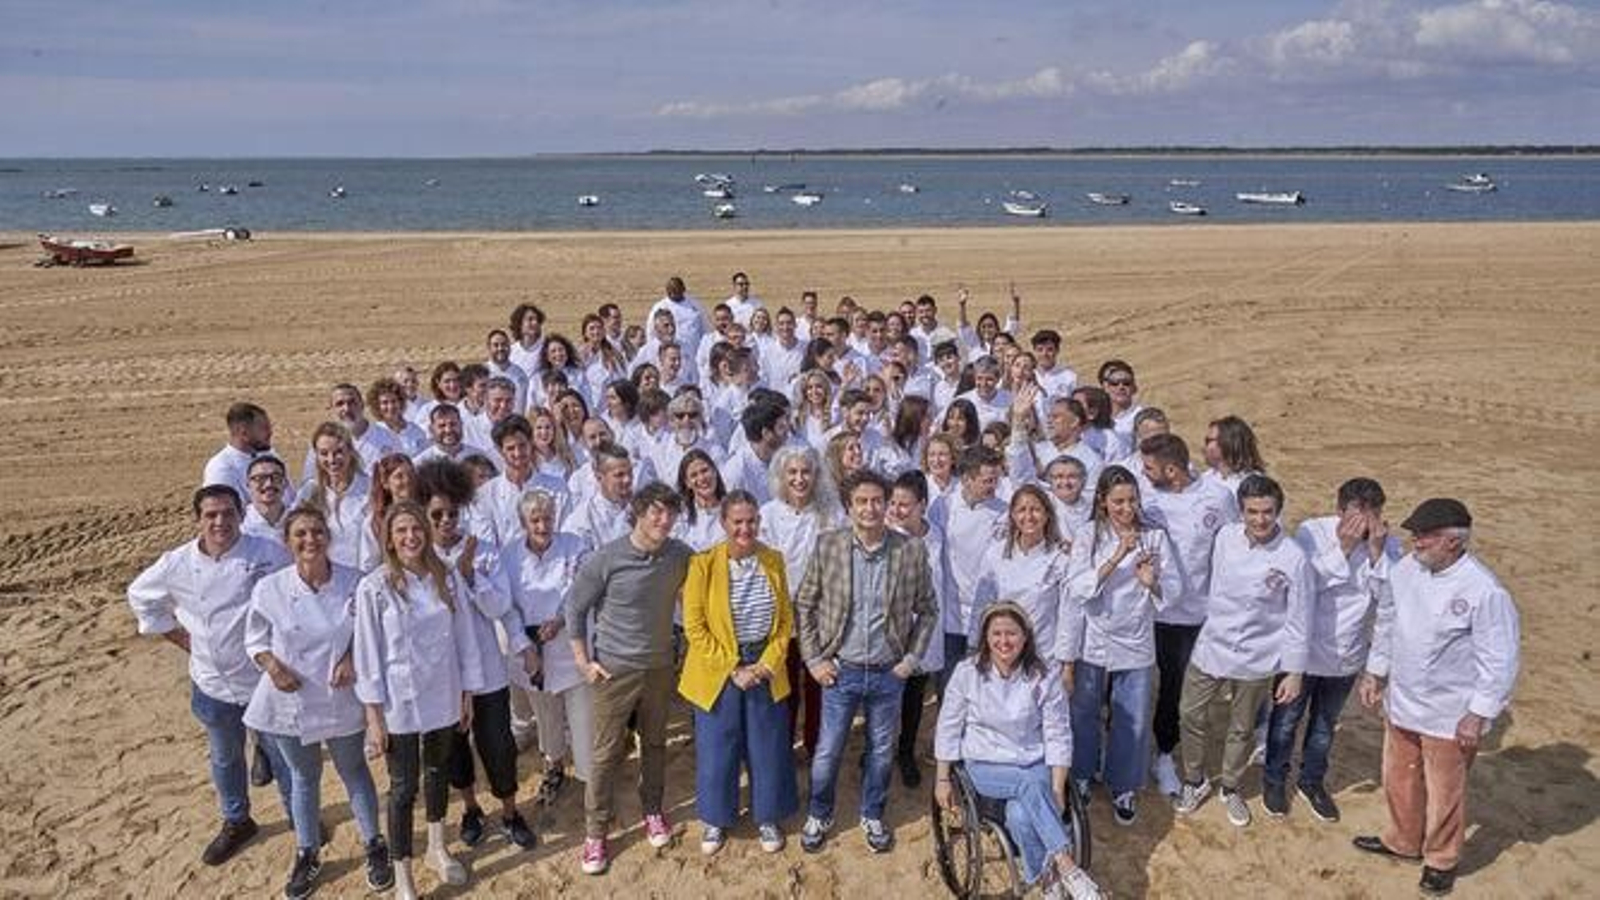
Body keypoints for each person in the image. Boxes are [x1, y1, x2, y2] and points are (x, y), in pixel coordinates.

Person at [1353, 498, 1520, 897]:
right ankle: (1403, 840)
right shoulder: (1409, 569)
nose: (1415, 542)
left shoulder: (1484, 591)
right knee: (1399, 777)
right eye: (1414, 535)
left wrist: (1477, 714)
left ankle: (1442, 859)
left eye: (1424, 536)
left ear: (1452, 542)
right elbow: (1389, 619)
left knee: (1445, 791)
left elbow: (1500, 660)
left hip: (1450, 712)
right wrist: (1376, 671)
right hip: (1404, 699)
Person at [126, 485, 291, 866]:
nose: (220, 522)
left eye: (228, 513)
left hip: (265, 682)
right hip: (212, 683)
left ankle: (298, 815)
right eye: (211, 515)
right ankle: (237, 821)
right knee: (225, 757)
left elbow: (292, 597)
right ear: (197, 520)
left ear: (240, 514)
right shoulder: (177, 563)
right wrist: (178, 635)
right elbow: (140, 595)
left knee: (282, 756)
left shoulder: (267, 554)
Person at [243, 506, 393, 898]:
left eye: (316, 532)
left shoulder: (353, 583)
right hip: (287, 699)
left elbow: (369, 634)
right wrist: (272, 665)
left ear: (328, 536)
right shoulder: (270, 588)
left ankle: (374, 844)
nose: (310, 540)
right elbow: (255, 638)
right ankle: (307, 852)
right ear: (287, 542)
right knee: (303, 778)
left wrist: (349, 659)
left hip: (338, 696)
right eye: (300, 535)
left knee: (354, 770)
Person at [795, 470, 938, 855]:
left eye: (878, 501)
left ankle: (872, 813)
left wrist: (910, 660)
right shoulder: (829, 546)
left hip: (889, 672)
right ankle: (820, 812)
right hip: (841, 670)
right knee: (828, 751)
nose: (871, 508)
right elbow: (805, 603)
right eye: (862, 501)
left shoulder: (909, 550)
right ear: (849, 507)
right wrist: (813, 659)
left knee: (879, 751)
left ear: (888, 504)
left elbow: (928, 610)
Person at [354, 502, 486, 897]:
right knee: (402, 787)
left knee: (436, 774)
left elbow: (465, 637)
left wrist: (467, 693)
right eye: (401, 532)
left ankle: (436, 847)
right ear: (390, 540)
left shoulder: (443, 576)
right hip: (399, 702)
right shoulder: (374, 587)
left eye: (416, 529)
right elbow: (368, 654)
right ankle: (404, 875)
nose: (410, 537)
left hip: (443, 693)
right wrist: (374, 716)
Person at [564, 483, 694, 875]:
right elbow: (574, 608)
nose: (664, 520)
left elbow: (702, 587)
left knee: (654, 744)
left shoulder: (680, 555)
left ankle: (653, 810)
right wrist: (584, 663)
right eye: (656, 512)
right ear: (637, 512)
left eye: (670, 513)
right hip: (614, 671)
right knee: (605, 755)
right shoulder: (607, 558)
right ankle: (595, 834)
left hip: (658, 668)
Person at [1172, 475, 1313, 828]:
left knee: (1241, 727)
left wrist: (1294, 671)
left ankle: (1231, 786)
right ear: (1241, 511)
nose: (1260, 520)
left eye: (1267, 512)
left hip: (1258, 655)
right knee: (1190, 714)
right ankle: (1194, 779)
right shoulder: (1225, 537)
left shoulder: (1293, 557)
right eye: (1252, 512)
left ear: (1278, 511)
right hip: (1212, 646)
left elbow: (1299, 619)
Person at [936, 603, 1102, 900]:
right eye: (996, 633)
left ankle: (1045, 878)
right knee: (1028, 785)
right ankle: (1067, 866)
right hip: (984, 765)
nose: (1004, 641)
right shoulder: (967, 673)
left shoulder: (1044, 675)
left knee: (1021, 814)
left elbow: (1057, 732)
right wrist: (942, 779)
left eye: (1011, 633)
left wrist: (1058, 786)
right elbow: (948, 726)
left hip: (1032, 760)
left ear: (1025, 637)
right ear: (985, 637)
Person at [1264, 477, 1401, 823]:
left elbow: (1392, 603)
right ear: (1339, 511)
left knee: (1324, 724)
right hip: (1303, 651)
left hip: (1347, 654)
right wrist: (1341, 548)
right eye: (1355, 517)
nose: (1364, 526)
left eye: (1372, 517)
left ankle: (1312, 781)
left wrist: (1377, 556)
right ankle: (1274, 780)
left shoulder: (1388, 546)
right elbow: (1302, 587)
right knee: (1285, 721)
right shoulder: (1313, 532)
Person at [419, 462, 539, 854]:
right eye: (437, 514)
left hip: (487, 669)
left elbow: (501, 606)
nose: (446, 521)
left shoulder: (484, 551)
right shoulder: (418, 557)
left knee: (497, 744)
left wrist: (470, 574)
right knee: (455, 749)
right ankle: (471, 808)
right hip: (443, 675)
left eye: (453, 512)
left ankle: (509, 811)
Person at [679, 491, 800, 855]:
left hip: (764, 664)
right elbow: (694, 627)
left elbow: (784, 622)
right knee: (718, 746)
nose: (745, 528)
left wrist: (765, 665)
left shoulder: (773, 560)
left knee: (768, 745)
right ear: (724, 523)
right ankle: (717, 819)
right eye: (738, 522)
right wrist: (733, 668)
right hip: (719, 668)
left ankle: (767, 816)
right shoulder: (703, 564)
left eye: (751, 521)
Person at [1062, 466, 1181, 827]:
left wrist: (1151, 582)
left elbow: (1174, 594)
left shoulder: (1155, 538)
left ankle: (1123, 784)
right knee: (1083, 713)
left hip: (1135, 641)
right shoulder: (1088, 536)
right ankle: (1082, 774)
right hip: (1093, 639)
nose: (1126, 508)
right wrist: (1115, 558)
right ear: (1102, 502)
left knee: (1132, 717)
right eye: (1117, 501)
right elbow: (1077, 588)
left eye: (1131, 500)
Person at [1139, 432, 1239, 796]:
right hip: (1149, 609)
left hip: (1195, 617)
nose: (1143, 473)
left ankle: (1164, 754)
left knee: (1177, 689)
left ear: (1171, 469)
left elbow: (1230, 550)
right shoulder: (1147, 499)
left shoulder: (1217, 497)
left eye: (1149, 467)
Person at [501, 490, 594, 805]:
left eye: (547, 518)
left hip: (571, 648)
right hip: (530, 653)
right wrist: (523, 646)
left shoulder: (575, 546)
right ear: (523, 522)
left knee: (582, 719)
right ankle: (553, 765)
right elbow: (507, 606)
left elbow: (581, 590)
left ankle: (591, 781)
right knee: (546, 716)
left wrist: (559, 620)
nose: (543, 526)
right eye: (535, 520)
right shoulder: (509, 555)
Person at [759, 445, 838, 759]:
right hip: (782, 613)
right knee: (785, 683)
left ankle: (816, 744)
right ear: (782, 475)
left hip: (820, 613)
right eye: (792, 472)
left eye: (806, 471)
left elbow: (837, 560)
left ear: (816, 475)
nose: (799, 478)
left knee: (819, 684)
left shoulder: (830, 512)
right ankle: (783, 747)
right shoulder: (768, 514)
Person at [886, 471, 954, 789]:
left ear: (922, 505)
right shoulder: (885, 535)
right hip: (892, 630)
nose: (898, 510)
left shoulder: (937, 535)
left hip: (925, 629)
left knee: (914, 697)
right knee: (886, 697)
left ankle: (906, 751)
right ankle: (879, 750)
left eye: (905, 504)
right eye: (895, 503)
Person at [929, 445, 1008, 694]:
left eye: (995, 479)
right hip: (950, 612)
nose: (992, 486)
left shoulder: (1003, 513)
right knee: (949, 686)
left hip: (986, 612)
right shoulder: (942, 506)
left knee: (981, 686)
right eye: (987, 480)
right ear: (966, 479)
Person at [302, 422, 375, 571]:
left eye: (338, 452)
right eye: (324, 453)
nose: (331, 459)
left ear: (350, 451)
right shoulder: (309, 491)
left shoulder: (371, 488)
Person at [203, 401, 280, 501]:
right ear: (244, 433)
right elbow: (227, 511)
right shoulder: (221, 468)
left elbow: (290, 498)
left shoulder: (270, 455)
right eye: (264, 428)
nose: (270, 432)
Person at [674, 448, 728, 550]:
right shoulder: (680, 517)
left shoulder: (733, 509)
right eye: (694, 475)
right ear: (687, 483)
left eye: (705, 471)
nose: (702, 478)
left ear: (715, 471)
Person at [1201, 415, 1267, 498]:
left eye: (1209, 441)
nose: (1204, 447)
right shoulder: (1205, 478)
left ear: (1228, 442)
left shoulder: (1256, 485)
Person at [241, 454, 292, 546]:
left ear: (286, 483)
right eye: (259, 478)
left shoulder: (297, 521)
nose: (269, 484)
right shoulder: (239, 524)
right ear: (248, 484)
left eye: (276, 477)